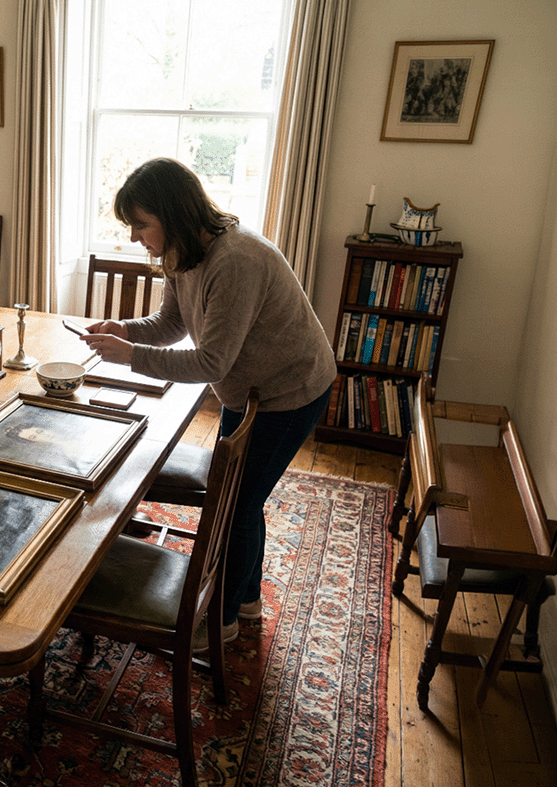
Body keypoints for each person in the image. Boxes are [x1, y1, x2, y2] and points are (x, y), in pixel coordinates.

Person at [80, 157, 336, 652]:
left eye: (140, 224)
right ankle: (244, 600)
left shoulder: (235, 259)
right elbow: (172, 325)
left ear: (172, 214)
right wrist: (125, 330)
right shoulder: (182, 254)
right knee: (242, 497)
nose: (135, 237)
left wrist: (132, 357)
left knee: (236, 504)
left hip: (292, 389)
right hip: (251, 389)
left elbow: (212, 362)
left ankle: (216, 625)